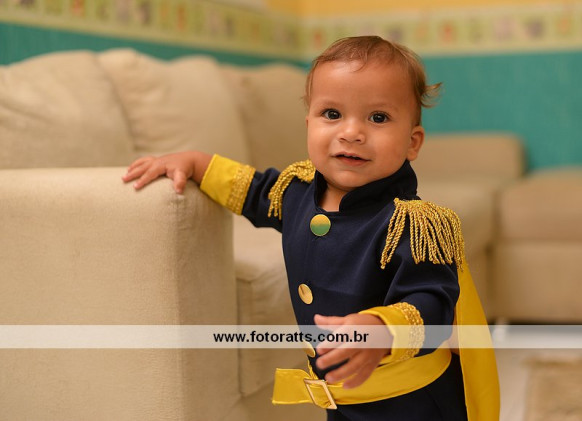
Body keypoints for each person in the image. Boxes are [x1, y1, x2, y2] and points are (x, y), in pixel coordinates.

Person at [122, 36, 499, 421]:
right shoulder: (296, 190)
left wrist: (382, 329)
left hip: (411, 403)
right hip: (342, 397)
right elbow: (249, 189)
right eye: (332, 114)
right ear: (309, 124)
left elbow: (433, 303)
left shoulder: (413, 224)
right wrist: (197, 163)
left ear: (412, 142)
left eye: (378, 118)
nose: (351, 132)